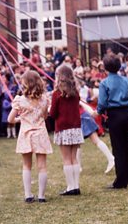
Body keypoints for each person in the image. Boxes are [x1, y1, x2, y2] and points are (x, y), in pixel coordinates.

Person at [8, 70, 52, 203]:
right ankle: (41, 196)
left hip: (26, 134)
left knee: (26, 165)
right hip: (40, 133)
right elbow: (45, 117)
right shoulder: (44, 100)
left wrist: (20, 119)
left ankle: (28, 194)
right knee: (42, 166)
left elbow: (10, 119)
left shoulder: (20, 100)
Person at [97, 54, 128, 189]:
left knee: (118, 148)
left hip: (115, 115)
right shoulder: (126, 80)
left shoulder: (104, 83)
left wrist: (98, 111)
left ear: (105, 67)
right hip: (127, 114)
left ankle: (121, 181)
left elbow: (102, 103)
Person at [50, 65, 83, 195]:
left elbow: (53, 114)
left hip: (63, 128)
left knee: (66, 159)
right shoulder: (76, 93)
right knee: (74, 158)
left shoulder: (56, 94)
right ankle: (76, 186)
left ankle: (70, 187)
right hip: (75, 128)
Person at [77, 101, 115, 174]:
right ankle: (78, 167)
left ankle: (111, 158)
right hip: (82, 117)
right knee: (78, 143)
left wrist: (91, 112)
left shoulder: (68, 92)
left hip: (82, 118)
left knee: (90, 141)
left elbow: (81, 103)